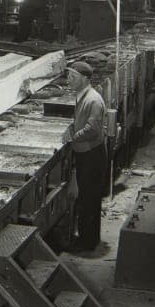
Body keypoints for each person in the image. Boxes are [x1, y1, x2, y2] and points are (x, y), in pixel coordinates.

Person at [62, 60, 107, 252]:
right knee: (87, 198)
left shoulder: (93, 100)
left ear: (84, 79)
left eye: (72, 77)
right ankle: (88, 238)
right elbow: (79, 121)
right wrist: (70, 128)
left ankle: (88, 243)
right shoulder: (82, 96)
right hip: (85, 153)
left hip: (92, 156)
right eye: (68, 76)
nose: (68, 80)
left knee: (89, 199)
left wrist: (73, 138)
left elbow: (92, 130)